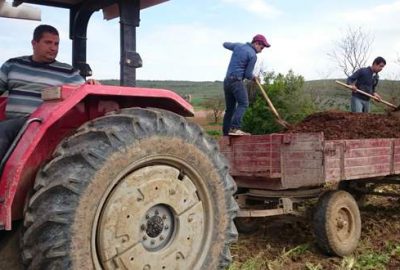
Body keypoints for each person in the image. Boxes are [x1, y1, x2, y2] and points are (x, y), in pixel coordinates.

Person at [0, 24, 96, 158]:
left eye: (56, 44)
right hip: (14, 123)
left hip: (41, 125)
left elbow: (84, 90)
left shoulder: (67, 72)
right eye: (48, 43)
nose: (53, 48)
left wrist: (91, 84)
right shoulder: (13, 65)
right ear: (34, 43)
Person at [222, 34, 270, 136]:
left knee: (230, 109)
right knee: (244, 103)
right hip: (236, 81)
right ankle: (235, 128)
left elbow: (225, 44)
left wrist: (235, 48)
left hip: (227, 82)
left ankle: (226, 133)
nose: (261, 50)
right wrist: (254, 77)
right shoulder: (253, 55)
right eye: (261, 47)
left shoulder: (238, 46)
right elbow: (247, 74)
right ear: (256, 43)